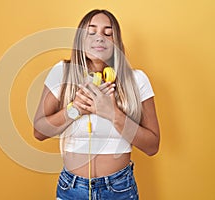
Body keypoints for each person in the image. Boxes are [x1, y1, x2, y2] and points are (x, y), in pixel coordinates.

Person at [33, 9, 160, 200]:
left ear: (116, 42)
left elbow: (152, 146)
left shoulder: (137, 80)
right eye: (91, 32)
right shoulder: (62, 72)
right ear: (80, 41)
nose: (99, 37)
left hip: (120, 189)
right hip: (71, 189)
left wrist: (112, 113)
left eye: (108, 33)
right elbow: (39, 131)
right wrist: (74, 109)